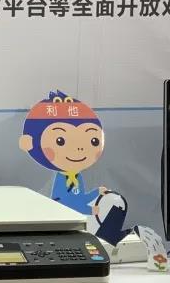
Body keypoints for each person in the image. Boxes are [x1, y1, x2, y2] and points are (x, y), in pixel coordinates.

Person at [19, 90, 128, 243]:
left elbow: (80, 197)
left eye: (93, 141)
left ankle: (112, 240)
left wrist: (97, 192)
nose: (79, 148)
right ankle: (110, 238)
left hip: (75, 220)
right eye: (60, 141)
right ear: (29, 143)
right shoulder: (60, 178)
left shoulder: (76, 175)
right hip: (62, 222)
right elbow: (65, 203)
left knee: (114, 201)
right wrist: (90, 210)